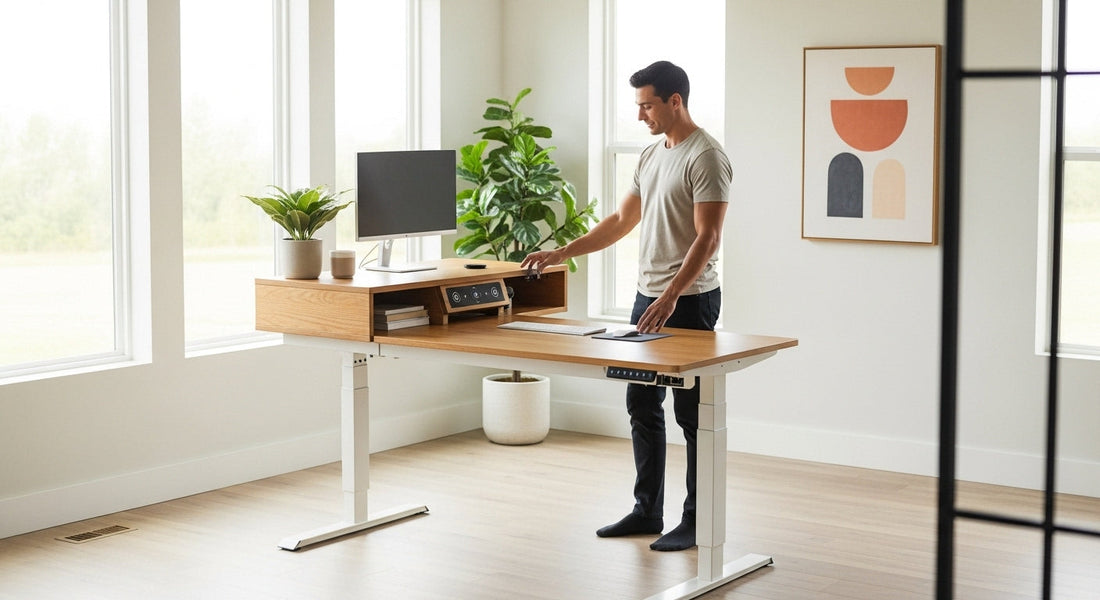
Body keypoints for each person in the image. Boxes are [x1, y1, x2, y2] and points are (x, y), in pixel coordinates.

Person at [520, 60, 731, 552]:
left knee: (692, 412)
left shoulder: (706, 157)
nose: (641, 116)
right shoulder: (652, 154)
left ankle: (698, 520)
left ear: (674, 101)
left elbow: (709, 237)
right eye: (638, 106)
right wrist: (560, 252)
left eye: (647, 106)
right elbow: (619, 221)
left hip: (690, 299)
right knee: (641, 402)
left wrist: (672, 293)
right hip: (647, 297)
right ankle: (646, 511)